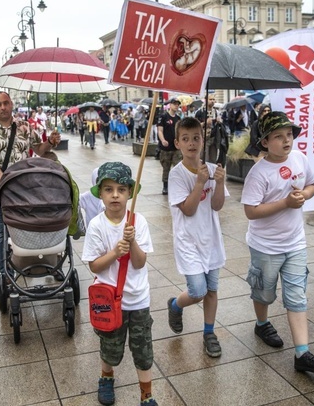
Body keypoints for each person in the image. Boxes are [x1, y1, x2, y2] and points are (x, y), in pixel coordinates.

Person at [241, 111, 314, 373]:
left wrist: (303, 194)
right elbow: (250, 211)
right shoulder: (259, 173)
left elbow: (312, 185)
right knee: (264, 292)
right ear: (264, 142)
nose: (287, 141)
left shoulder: (299, 158)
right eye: (279, 136)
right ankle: (262, 324)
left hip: (295, 243)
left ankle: (302, 353)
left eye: (290, 135)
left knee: (297, 295)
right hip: (265, 246)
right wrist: (285, 202)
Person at [81, 162, 157, 406]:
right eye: (109, 189)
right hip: (108, 301)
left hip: (138, 300)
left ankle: (147, 394)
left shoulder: (138, 222)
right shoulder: (96, 225)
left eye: (121, 190)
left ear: (129, 194)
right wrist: (115, 252)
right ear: (100, 194)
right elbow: (94, 265)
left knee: (143, 350)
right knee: (110, 347)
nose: (115, 195)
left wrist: (132, 241)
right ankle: (106, 377)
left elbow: (140, 262)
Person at [0, 91, 60, 275]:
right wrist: (5, 181)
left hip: (26, 189)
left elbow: (39, 150)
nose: (3, 107)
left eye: (6, 103)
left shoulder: (25, 126)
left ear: (12, 104)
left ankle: (33, 261)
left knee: (29, 226)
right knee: (3, 231)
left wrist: (50, 142)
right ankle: (5, 271)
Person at [166, 116, 228, 358]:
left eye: (196, 138)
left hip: (211, 240)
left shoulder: (212, 169)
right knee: (197, 291)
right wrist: (200, 182)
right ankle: (175, 305)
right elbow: (189, 209)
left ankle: (209, 333)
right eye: (185, 139)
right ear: (177, 143)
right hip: (188, 241)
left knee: (212, 290)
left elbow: (217, 205)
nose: (191, 143)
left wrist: (219, 183)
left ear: (203, 140)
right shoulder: (177, 174)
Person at [157, 98, 183, 195]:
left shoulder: (178, 118)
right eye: (175, 104)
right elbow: (160, 130)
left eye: (177, 104)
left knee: (177, 167)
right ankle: (165, 186)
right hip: (166, 148)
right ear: (170, 105)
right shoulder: (164, 116)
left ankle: (176, 185)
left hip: (176, 147)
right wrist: (163, 140)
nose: (176, 106)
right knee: (166, 167)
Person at [195, 95, 227, 167]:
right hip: (203, 139)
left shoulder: (216, 112)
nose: (212, 101)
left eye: (213, 99)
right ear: (206, 100)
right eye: (210, 99)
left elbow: (221, 123)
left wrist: (219, 121)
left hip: (214, 138)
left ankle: (211, 176)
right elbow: (195, 126)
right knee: (204, 159)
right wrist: (205, 123)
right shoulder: (200, 112)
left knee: (213, 159)